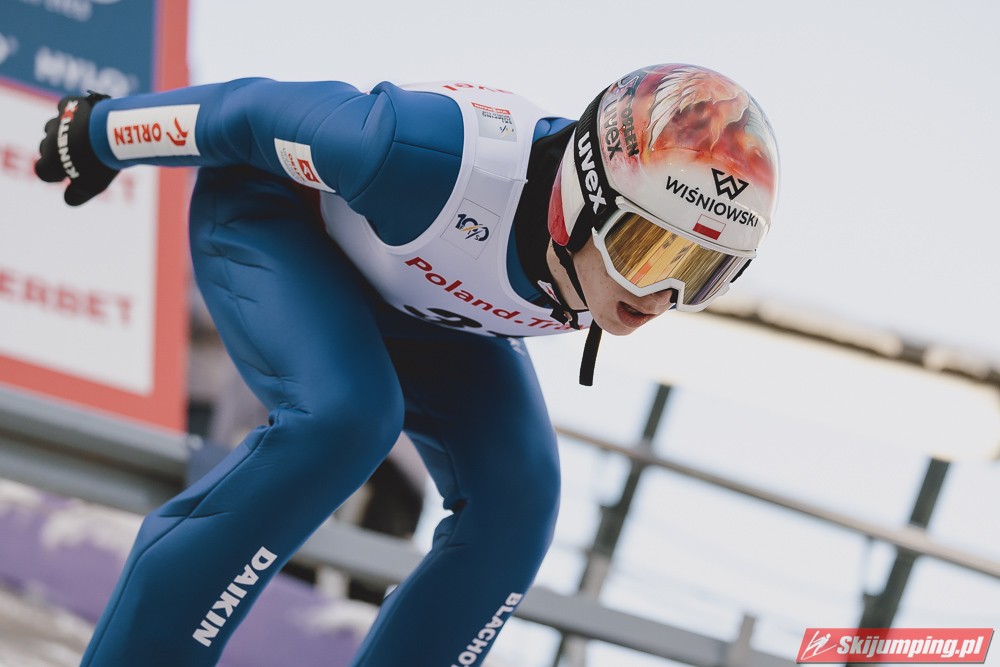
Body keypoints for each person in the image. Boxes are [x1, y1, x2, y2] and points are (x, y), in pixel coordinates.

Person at [34, 63, 780, 666]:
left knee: (520, 499)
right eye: (649, 251)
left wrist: (640, 257)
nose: (661, 295)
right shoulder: (424, 156)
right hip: (274, 222)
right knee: (347, 420)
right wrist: (100, 133)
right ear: (583, 195)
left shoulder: (596, 265)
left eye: (703, 272)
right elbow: (249, 112)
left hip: (421, 297)